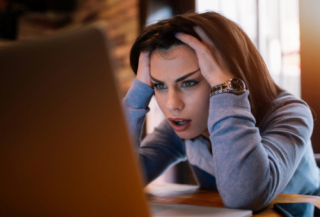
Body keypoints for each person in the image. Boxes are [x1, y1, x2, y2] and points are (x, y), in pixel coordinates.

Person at [123, 12, 320, 211]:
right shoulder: (182, 122)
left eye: (189, 82)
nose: (172, 104)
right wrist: (138, 92)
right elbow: (120, 181)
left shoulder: (291, 113)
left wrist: (226, 87)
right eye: (159, 86)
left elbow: (244, 197)